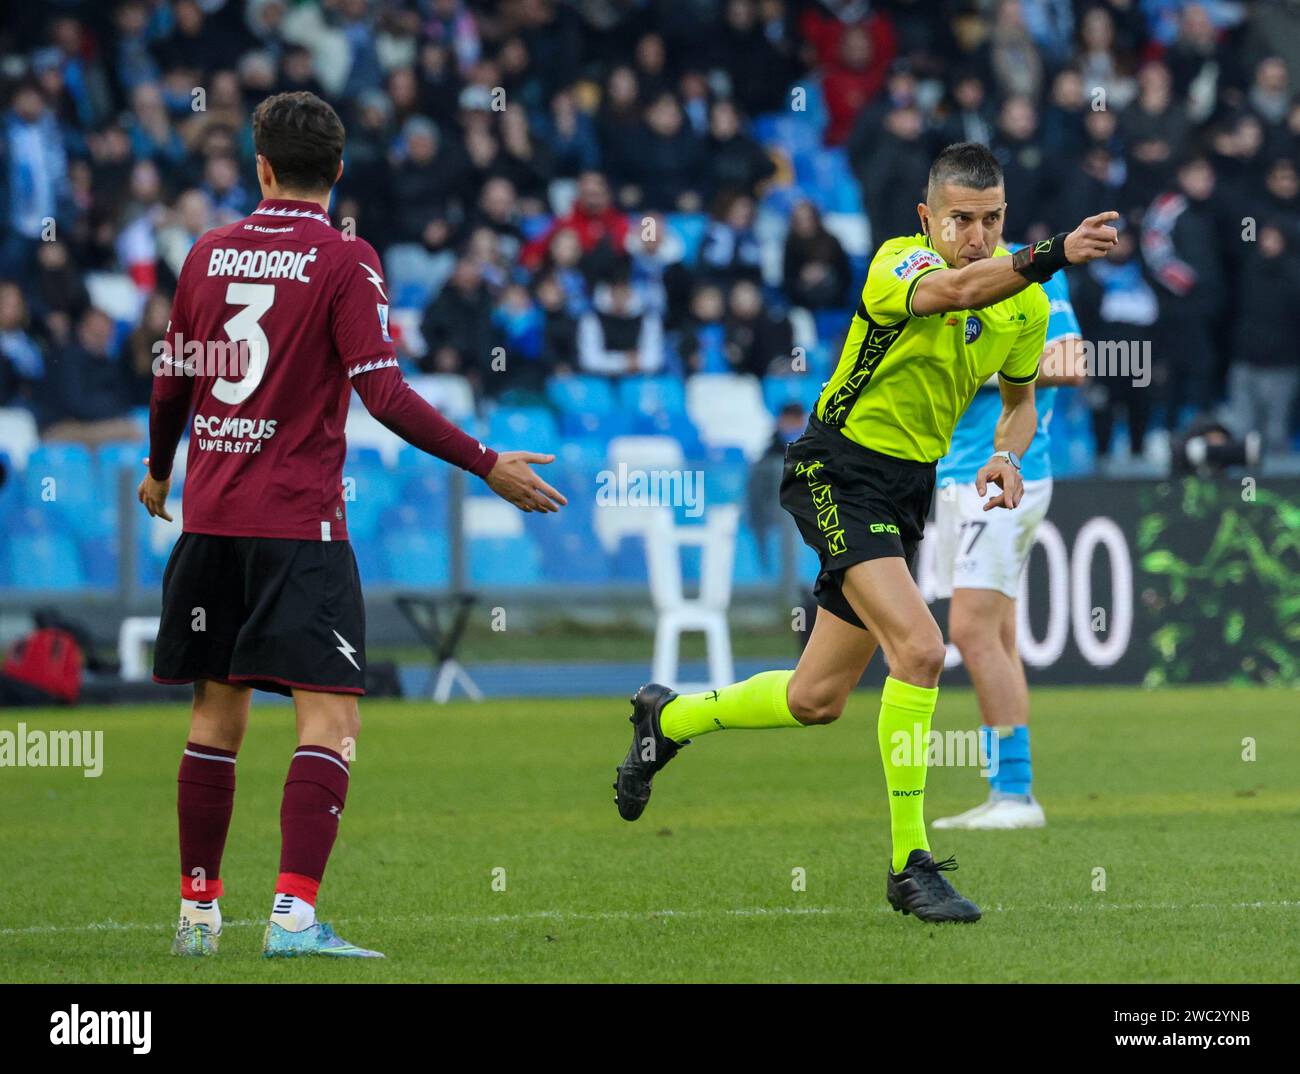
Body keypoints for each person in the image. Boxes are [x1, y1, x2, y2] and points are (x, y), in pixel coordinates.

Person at [612, 142, 1118, 923]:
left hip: (907, 491)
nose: (976, 236)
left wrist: (1004, 458)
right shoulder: (900, 265)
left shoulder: (1025, 305)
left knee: (816, 699)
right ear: (928, 219)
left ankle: (668, 719)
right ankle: (908, 865)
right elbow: (955, 290)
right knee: (921, 648)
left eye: (991, 221)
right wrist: (1049, 253)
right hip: (836, 469)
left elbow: (1020, 402)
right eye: (960, 220)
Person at [139, 91, 565, 960]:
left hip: (212, 521)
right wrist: (488, 463)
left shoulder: (207, 253)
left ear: (259, 166)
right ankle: (292, 917)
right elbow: (385, 395)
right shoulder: (345, 258)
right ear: (337, 173)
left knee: (213, 725)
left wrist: (157, 468)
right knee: (329, 726)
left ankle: (197, 916)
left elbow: (172, 383)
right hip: (299, 529)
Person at [930, 259, 1085, 830]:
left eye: (984, 215)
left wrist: (981, 368)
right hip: (954, 479)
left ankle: (1016, 795)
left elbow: (1071, 363)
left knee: (971, 631)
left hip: (1006, 472)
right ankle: (1009, 791)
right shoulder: (931, 272)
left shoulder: (1034, 270)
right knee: (997, 633)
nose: (970, 232)